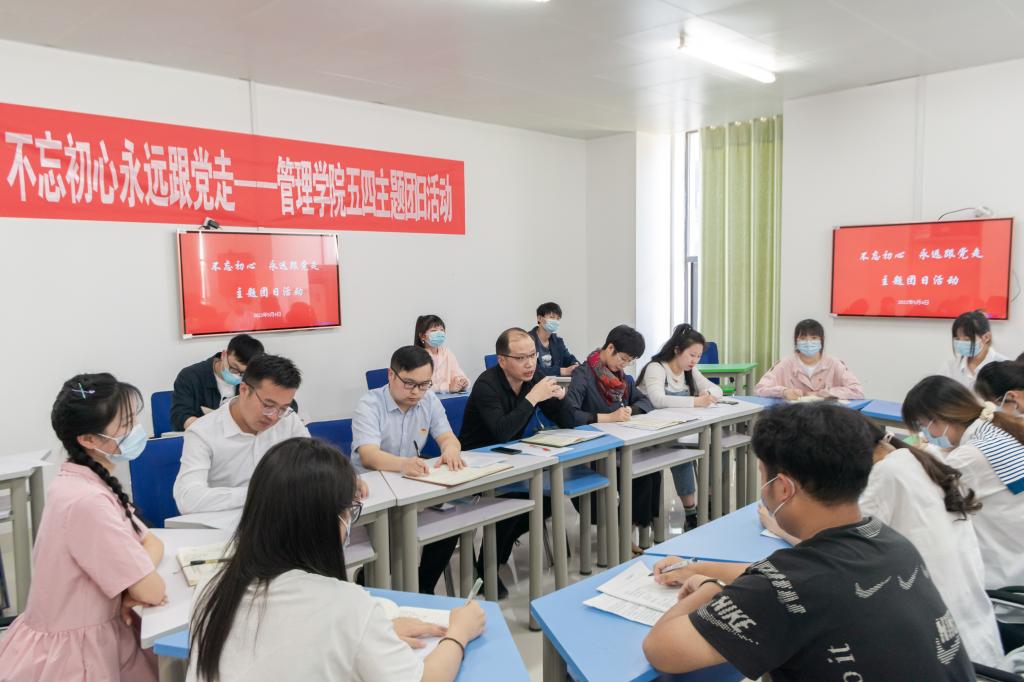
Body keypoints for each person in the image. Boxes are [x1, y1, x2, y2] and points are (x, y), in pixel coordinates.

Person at [643, 402, 974, 681]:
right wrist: (695, 568)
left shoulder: (785, 588)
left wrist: (709, 589)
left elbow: (661, 650)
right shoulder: (887, 540)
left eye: (762, 474)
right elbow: (777, 578)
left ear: (782, 487)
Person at [187, 438, 485, 682]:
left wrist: (371, 635)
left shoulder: (212, 586)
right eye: (349, 511)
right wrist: (459, 632)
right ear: (328, 522)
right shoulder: (347, 605)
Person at [758, 419, 1003, 667]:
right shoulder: (915, 459)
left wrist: (780, 527)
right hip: (971, 633)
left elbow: (831, 545)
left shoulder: (884, 476)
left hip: (944, 649)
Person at [0, 374, 166, 680]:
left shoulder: (84, 482)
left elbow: (152, 542)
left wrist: (131, 584)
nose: (136, 429)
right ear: (88, 439)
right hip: (75, 658)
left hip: (97, 635)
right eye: (126, 423)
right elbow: (153, 590)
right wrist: (136, 583)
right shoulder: (86, 500)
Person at [460, 327, 571, 597]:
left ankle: (493, 559)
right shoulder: (487, 384)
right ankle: (487, 569)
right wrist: (533, 398)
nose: (530, 363)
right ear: (502, 360)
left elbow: (564, 419)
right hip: (477, 462)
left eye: (532, 355)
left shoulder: (534, 377)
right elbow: (502, 432)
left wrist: (560, 398)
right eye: (521, 358)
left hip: (512, 460)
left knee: (546, 500)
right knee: (514, 501)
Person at [352, 345, 465, 594]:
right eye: (409, 383)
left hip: (412, 486)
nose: (416, 392)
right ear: (391, 375)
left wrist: (451, 450)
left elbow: (448, 437)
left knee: (451, 524)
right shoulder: (370, 404)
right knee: (393, 545)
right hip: (374, 490)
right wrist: (403, 464)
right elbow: (368, 456)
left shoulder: (429, 400)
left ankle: (424, 587)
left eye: (424, 385)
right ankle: (367, 580)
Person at [902, 375, 1024, 591]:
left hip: (1003, 575)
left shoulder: (970, 457)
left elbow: (927, 494)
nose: (925, 433)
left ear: (938, 418)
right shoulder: (996, 430)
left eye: (923, 425)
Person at [174, 354, 320, 514]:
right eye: (268, 405)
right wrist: (261, 493)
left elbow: (313, 471)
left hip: (280, 519)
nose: (273, 416)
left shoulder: (289, 419)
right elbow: (187, 499)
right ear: (244, 389)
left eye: (283, 408)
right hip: (224, 523)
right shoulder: (203, 432)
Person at [565, 325, 660, 550]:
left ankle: (629, 530)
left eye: (629, 361)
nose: (624, 365)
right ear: (610, 348)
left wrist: (629, 410)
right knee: (636, 475)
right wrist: (608, 418)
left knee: (649, 472)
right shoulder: (583, 375)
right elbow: (570, 414)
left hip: (619, 447)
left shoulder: (622, 379)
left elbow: (645, 401)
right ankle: (622, 534)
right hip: (593, 454)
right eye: (623, 359)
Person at [638, 324, 722, 531]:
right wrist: (695, 401)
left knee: (714, 447)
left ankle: (710, 503)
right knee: (681, 454)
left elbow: (716, 389)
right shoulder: (656, 368)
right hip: (649, 433)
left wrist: (708, 394)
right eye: (692, 355)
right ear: (677, 350)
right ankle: (691, 513)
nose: (695, 361)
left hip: (677, 428)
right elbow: (658, 400)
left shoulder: (689, 371)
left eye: (698, 356)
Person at [171, 334, 264, 431]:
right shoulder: (190, 376)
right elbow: (180, 417)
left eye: (243, 373)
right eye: (234, 368)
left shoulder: (251, 380)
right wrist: (212, 428)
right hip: (202, 435)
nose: (237, 376)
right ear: (224, 355)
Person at [755, 318, 863, 400]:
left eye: (814, 338)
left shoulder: (834, 363)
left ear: (821, 340)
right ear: (796, 341)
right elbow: (760, 389)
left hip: (827, 416)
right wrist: (784, 392)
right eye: (803, 338)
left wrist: (823, 393)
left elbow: (857, 391)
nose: (808, 342)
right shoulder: (785, 363)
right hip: (793, 416)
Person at [942, 310, 1007, 389]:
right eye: (957, 339)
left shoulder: (1004, 366)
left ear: (986, 337)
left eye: (967, 339)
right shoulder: (950, 367)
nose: (961, 343)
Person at [414, 314, 469, 393]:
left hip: (448, 397)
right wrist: (447, 387)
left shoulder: (447, 353)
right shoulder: (417, 356)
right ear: (422, 336)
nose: (439, 333)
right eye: (434, 331)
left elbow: (457, 374)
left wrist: (462, 381)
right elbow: (420, 386)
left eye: (441, 330)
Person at [529, 301, 579, 378]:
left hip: (556, 384)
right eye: (552, 317)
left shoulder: (558, 342)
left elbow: (569, 359)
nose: (555, 321)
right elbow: (531, 368)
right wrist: (561, 371)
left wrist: (575, 366)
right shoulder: (527, 340)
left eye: (558, 319)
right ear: (539, 318)